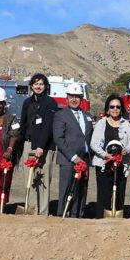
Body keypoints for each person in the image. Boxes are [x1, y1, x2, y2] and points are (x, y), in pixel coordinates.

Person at [18, 73, 58, 215]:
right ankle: (32, 209)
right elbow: (23, 125)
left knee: (43, 179)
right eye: (35, 84)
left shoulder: (51, 103)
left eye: (41, 84)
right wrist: (18, 144)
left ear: (46, 86)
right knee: (29, 179)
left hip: (44, 147)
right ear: (32, 86)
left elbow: (48, 126)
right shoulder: (27, 102)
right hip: (28, 144)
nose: (38, 86)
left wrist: (40, 146)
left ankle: (42, 212)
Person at [90, 95, 130, 218]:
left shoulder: (126, 124)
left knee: (120, 192)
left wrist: (127, 149)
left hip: (121, 164)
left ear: (121, 109)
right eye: (112, 107)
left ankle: (118, 218)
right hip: (104, 164)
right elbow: (93, 143)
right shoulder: (101, 123)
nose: (115, 109)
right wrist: (105, 155)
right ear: (107, 109)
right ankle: (101, 218)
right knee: (104, 193)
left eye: (118, 107)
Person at [53, 82, 93, 218]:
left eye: (77, 96)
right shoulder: (61, 115)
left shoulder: (87, 115)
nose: (74, 99)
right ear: (67, 98)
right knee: (66, 189)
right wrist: (73, 157)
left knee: (81, 190)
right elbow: (59, 138)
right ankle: (62, 215)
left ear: (81, 98)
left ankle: (78, 216)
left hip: (85, 158)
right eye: (72, 96)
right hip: (68, 159)